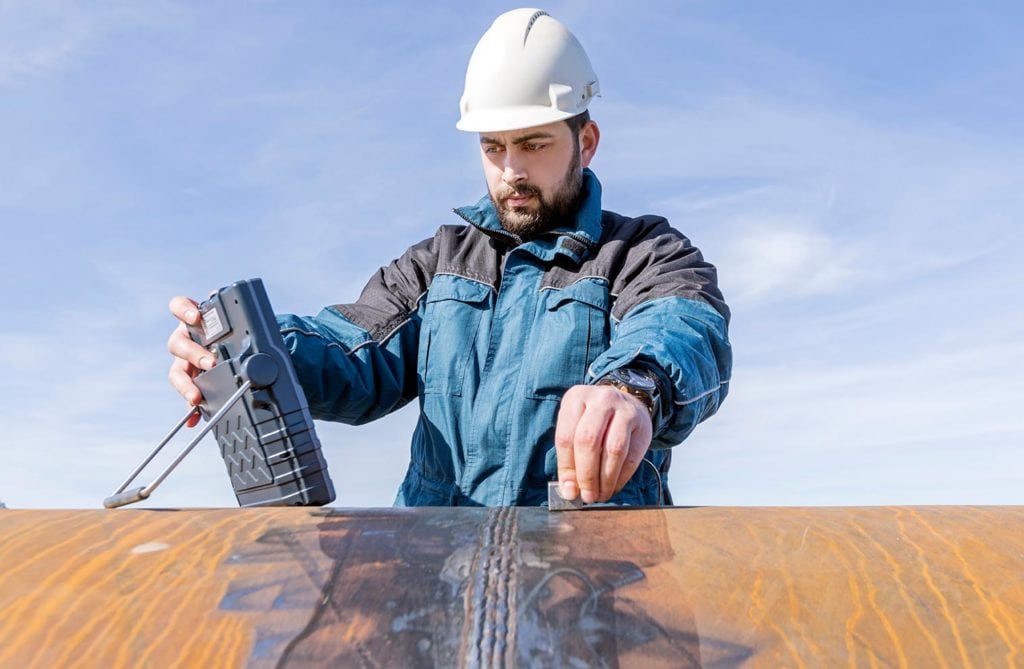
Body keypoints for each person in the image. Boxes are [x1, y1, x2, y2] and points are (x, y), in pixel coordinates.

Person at [167, 8, 732, 507]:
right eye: (493, 147)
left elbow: (683, 328)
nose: (511, 169)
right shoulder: (436, 264)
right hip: (433, 573)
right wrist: (247, 347)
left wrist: (633, 388)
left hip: (587, 581)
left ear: (585, 143)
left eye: (534, 144)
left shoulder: (645, 253)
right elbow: (350, 352)